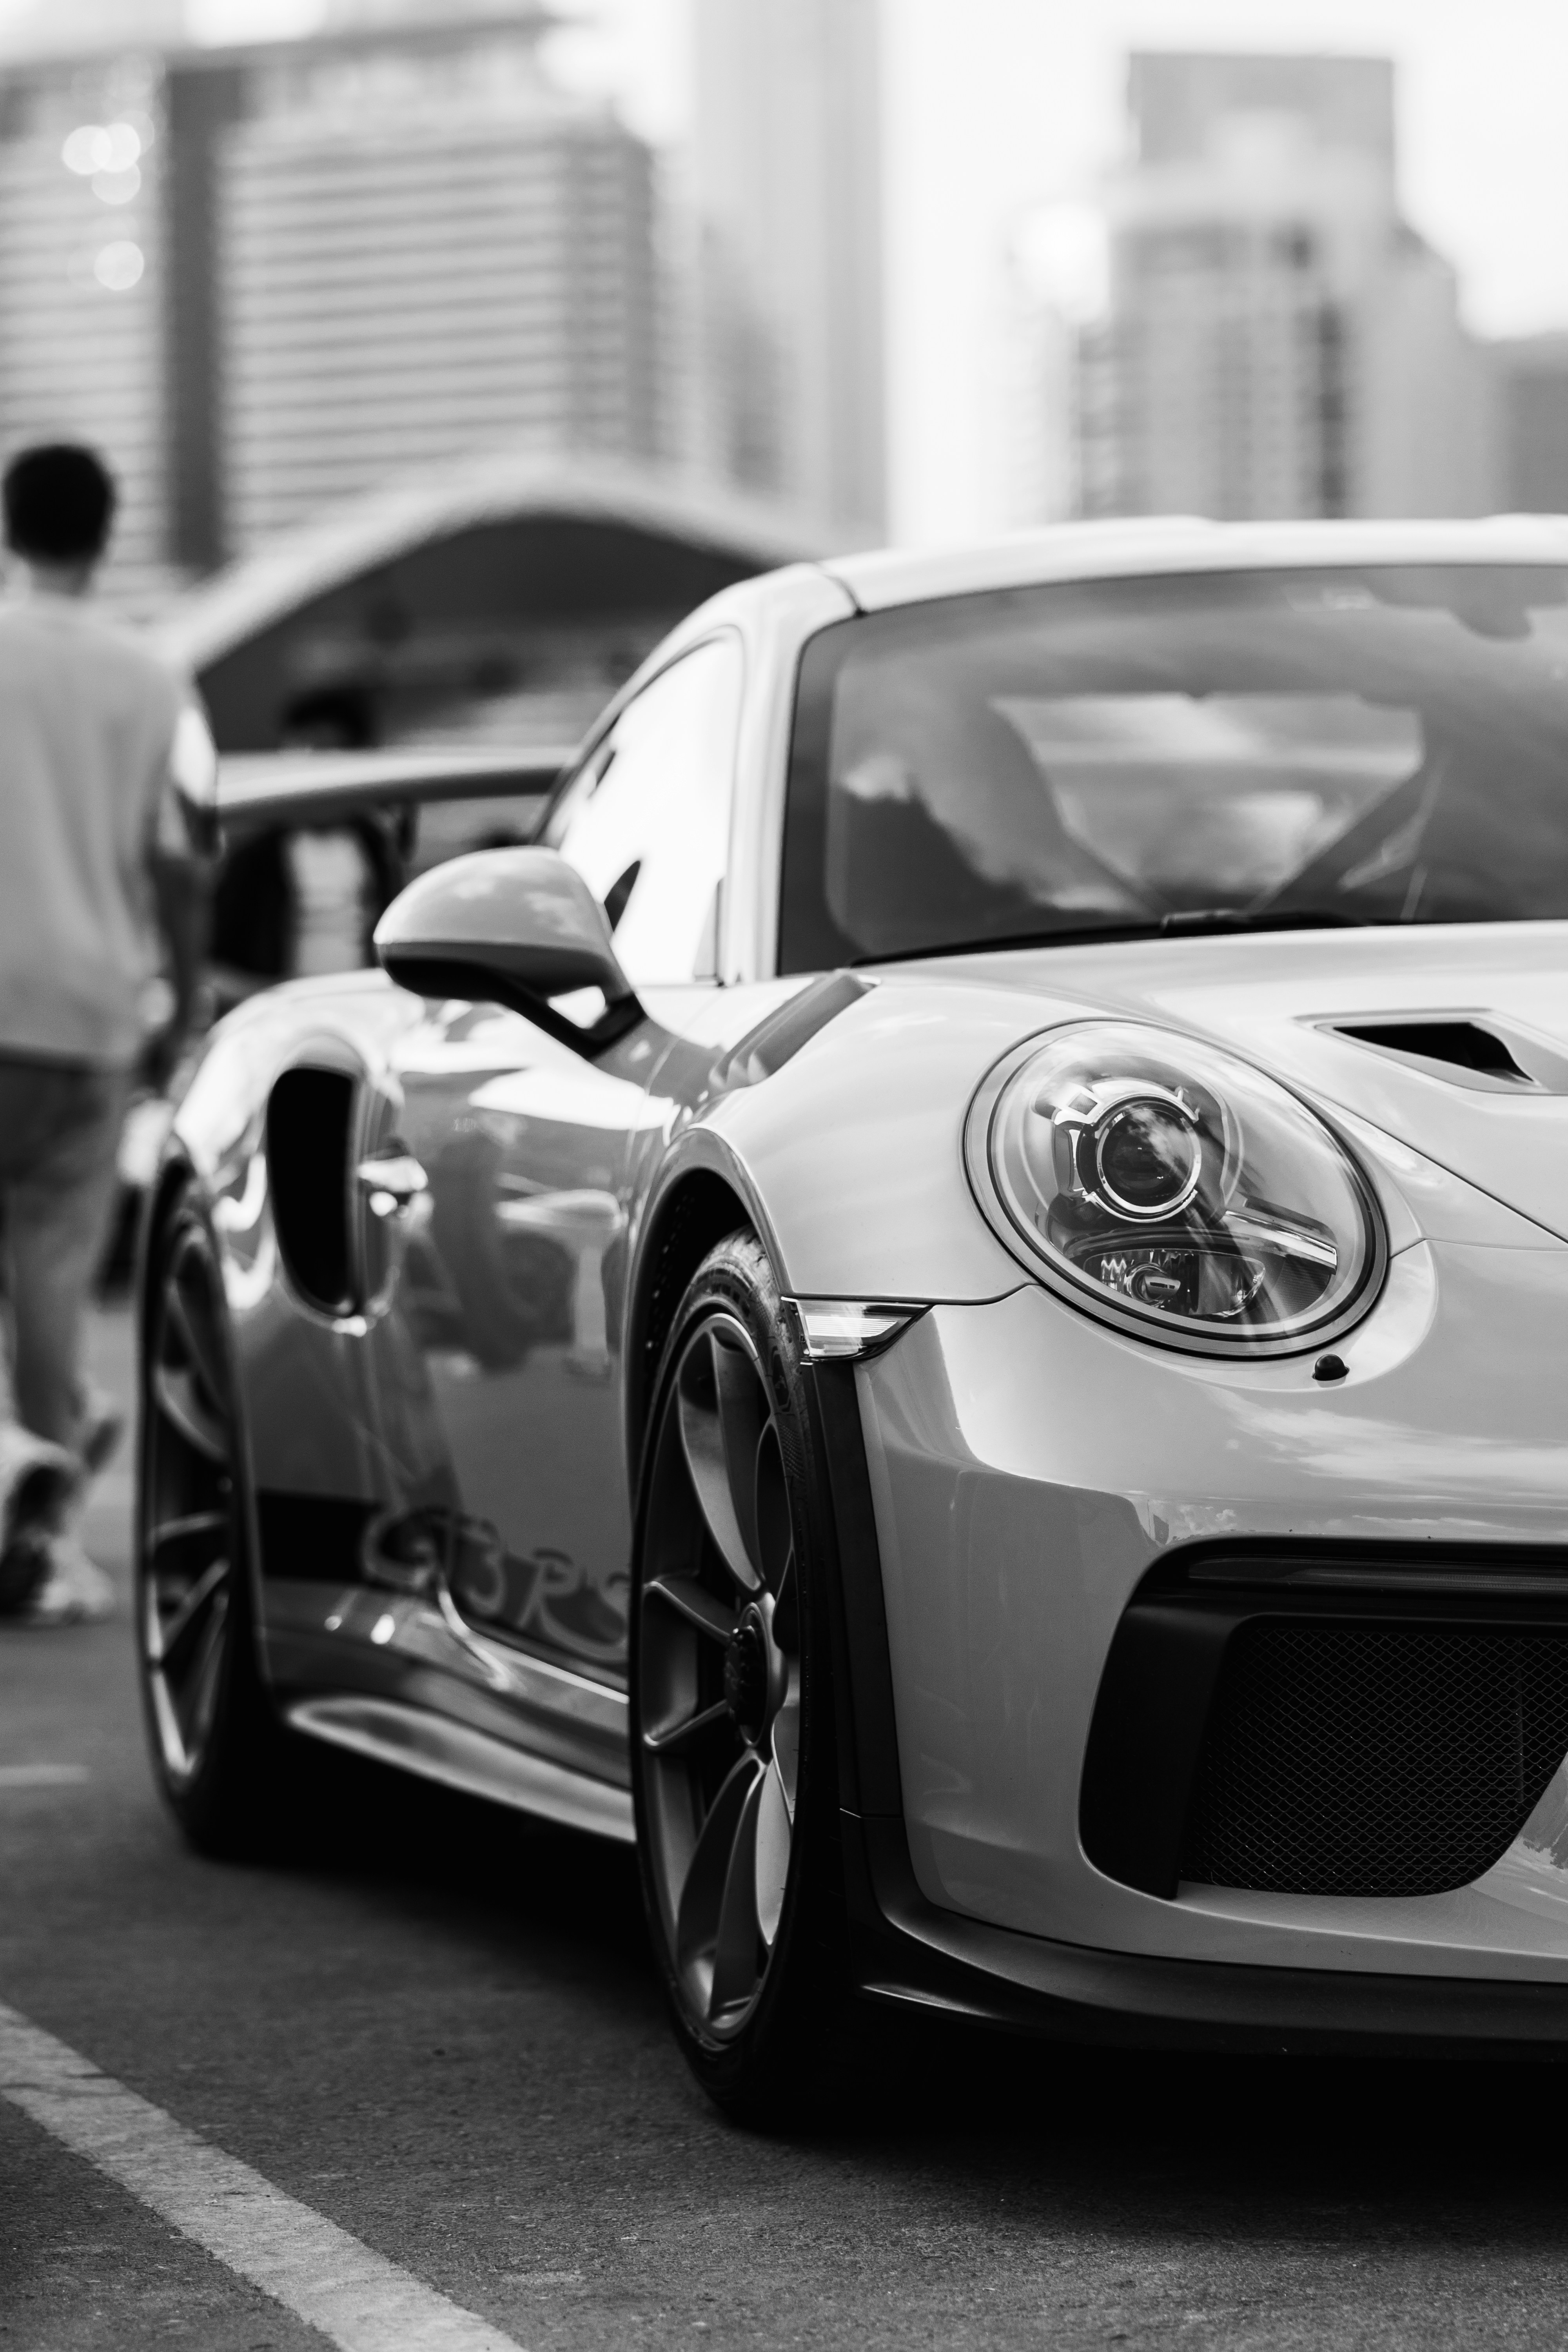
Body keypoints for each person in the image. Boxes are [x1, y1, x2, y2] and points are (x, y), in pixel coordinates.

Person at [0, 443, 212, 1626]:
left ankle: (21, 1488)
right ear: (107, 528)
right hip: (88, 1015)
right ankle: (46, 1539)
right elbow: (181, 862)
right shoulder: (150, 678)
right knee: (49, 1279)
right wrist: (179, 1001)